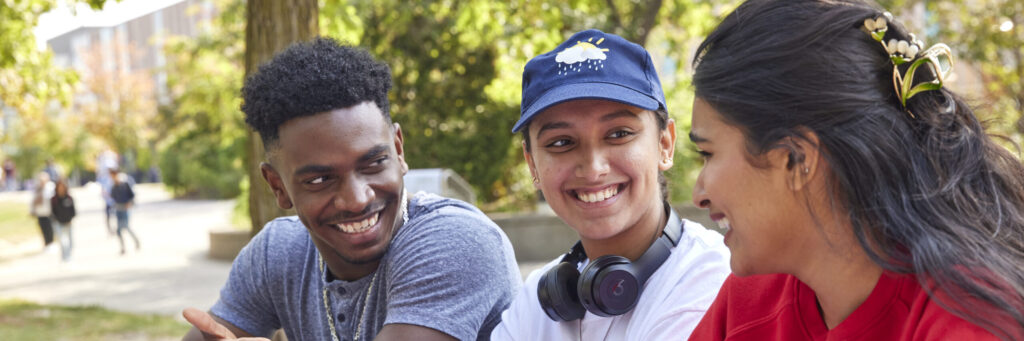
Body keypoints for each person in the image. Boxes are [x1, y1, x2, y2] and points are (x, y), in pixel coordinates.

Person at [686, 0, 1024, 340]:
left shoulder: (971, 321)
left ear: (797, 158)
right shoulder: (747, 303)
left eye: (708, 153)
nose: (698, 195)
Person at [181, 37, 521, 341]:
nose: (358, 199)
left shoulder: (456, 241)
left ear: (399, 151)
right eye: (319, 180)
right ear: (278, 186)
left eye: (373, 164)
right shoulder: (279, 254)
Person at [491, 29, 731, 340]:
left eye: (619, 134)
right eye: (562, 142)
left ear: (665, 144)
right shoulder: (534, 303)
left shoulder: (711, 281)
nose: (593, 169)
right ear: (532, 163)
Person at [110, 169, 139, 255]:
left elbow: (132, 196)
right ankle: (123, 247)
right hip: (118, 209)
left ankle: (136, 241)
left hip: (126, 208)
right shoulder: (114, 187)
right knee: (119, 230)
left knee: (126, 227)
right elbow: (113, 198)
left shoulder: (125, 185)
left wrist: (129, 203)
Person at [50, 179, 76, 261]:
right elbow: (52, 212)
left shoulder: (69, 198)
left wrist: (70, 219)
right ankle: (65, 257)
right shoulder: (54, 199)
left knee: (70, 242)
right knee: (63, 241)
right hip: (58, 223)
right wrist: (56, 220)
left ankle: (68, 255)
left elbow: (73, 211)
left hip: (68, 222)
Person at [29, 171, 55, 250]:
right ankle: (46, 243)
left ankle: (51, 243)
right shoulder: (36, 189)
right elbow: (32, 201)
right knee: (43, 229)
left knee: (50, 229)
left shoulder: (50, 187)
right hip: (40, 213)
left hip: (49, 212)